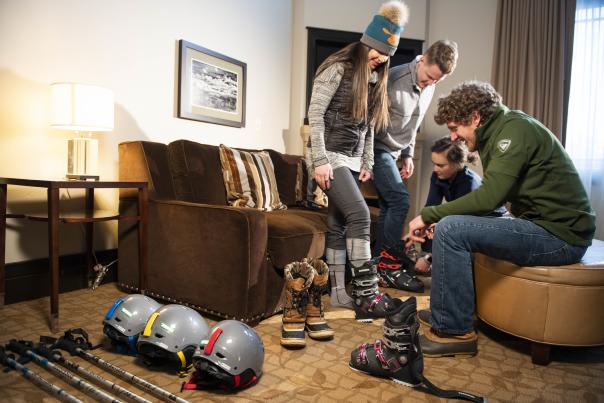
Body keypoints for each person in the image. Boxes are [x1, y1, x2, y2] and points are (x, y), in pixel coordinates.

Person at [405, 81, 595, 357]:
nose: (454, 136)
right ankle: (448, 311)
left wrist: (428, 215)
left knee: (450, 228)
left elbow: (489, 198)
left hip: (562, 236)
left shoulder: (514, 131)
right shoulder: (498, 132)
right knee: (454, 227)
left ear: (475, 118)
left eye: (456, 127)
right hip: (540, 226)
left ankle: (454, 331)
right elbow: (493, 201)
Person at [307, 1, 408, 321]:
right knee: (361, 215)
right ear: (365, 42)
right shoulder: (336, 68)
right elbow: (316, 116)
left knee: (337, 226)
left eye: (385, 55)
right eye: (375, 51)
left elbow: (366, 128)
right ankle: (367, 293)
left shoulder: (375, 79)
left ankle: (337, 293)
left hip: (349, 159)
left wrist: (365, 161)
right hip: (328, 157)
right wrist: (319, 160)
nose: (379, 58)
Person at [372, 40, 459, 292]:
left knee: (390, 205)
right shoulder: (393, 79)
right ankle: (388, 266)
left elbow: (414, 124)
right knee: (400, 200)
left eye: (436, 81)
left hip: (397, 151)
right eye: (429, 77)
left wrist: (408, 155)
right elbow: (368, 124)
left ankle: (380, 265)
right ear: (422, 60)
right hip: (378, 148)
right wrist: (367, 160)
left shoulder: (430, 85)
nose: (430, 84)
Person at [413, 136, 506, 275]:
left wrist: (428, 258)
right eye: (434, 163)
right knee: (428, 222)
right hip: (462, 219)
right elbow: (431, 208)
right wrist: (418, 230)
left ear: (457, 164)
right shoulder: (437, 176)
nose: (435, 168)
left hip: (491, 221)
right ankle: (428, 260)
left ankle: (432, 262)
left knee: (444, 227)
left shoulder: (469, 183)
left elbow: (460, 224)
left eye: (440, 165)